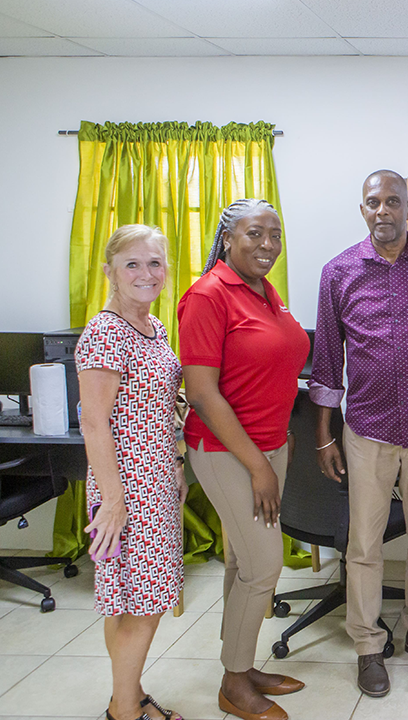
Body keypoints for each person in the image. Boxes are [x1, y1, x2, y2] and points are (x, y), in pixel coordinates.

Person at [178, 199, 309, 720]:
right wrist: (257, 465)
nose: (267, 245)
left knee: (243, 563)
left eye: (275, 235)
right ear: (227, 238)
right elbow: (204, 395)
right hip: (224, 452)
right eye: (255, 234)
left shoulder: (264, 292)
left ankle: (243, 663)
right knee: (263, 566)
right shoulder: (208, 295)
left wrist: (279, 444)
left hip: (268, 446)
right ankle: (234, 683)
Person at [309, 169, 408, 698]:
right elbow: (328, 363)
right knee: (365, 544)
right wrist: (325, 437)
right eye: (373, 202)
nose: (383, 210)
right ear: (362, 209)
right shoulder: (339, 273)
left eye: (392, 201)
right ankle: (367, 644)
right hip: (369, 427)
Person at [77, 224, 186, 720]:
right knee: (143, 603)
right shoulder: (105, 331)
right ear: (110, 272)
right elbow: (93, 422)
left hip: (156, 480)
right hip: (127, 489)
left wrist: (177, 464)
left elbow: (160, 407)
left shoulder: (154, 328)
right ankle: (125, 709)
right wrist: (115, 500)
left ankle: (129, 692)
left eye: (155, 263)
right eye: (132, 264)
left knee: (128, 600)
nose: (146, 273)